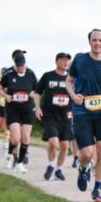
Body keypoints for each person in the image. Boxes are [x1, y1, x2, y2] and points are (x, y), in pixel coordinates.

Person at [66, 29, 101, 202]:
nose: (97, 43)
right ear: (89, 41)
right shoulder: (80, 60)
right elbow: (69, 81)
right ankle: (84, 168)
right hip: (82, 111)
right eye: (94, 40)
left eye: (100, 40)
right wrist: (73, 96)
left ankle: (97, 189)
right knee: (86, 153)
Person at [34, 53, 74, 181]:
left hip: (66, 116)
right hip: (50, 115)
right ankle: (51, 165)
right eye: (63, 60)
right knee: (53, 142)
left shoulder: (72, 78)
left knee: (65, 146)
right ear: (56, 62)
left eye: (67, 61)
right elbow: (37, 93)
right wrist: (38, 108)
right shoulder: (48, 76)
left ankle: (59, 169)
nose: (65, 63)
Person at [0, 50, 38, 174]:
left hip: (27, 109)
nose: (21, 68)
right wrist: (6, 96)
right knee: (15, 138)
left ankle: (19, 163)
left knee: (25, 138)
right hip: (13, 109)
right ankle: (11, 153)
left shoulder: (31, 74)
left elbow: (36, 91)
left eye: (23, 66)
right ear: (15, 65)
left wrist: (32, 94)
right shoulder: (8, 74)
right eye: (19, 66)